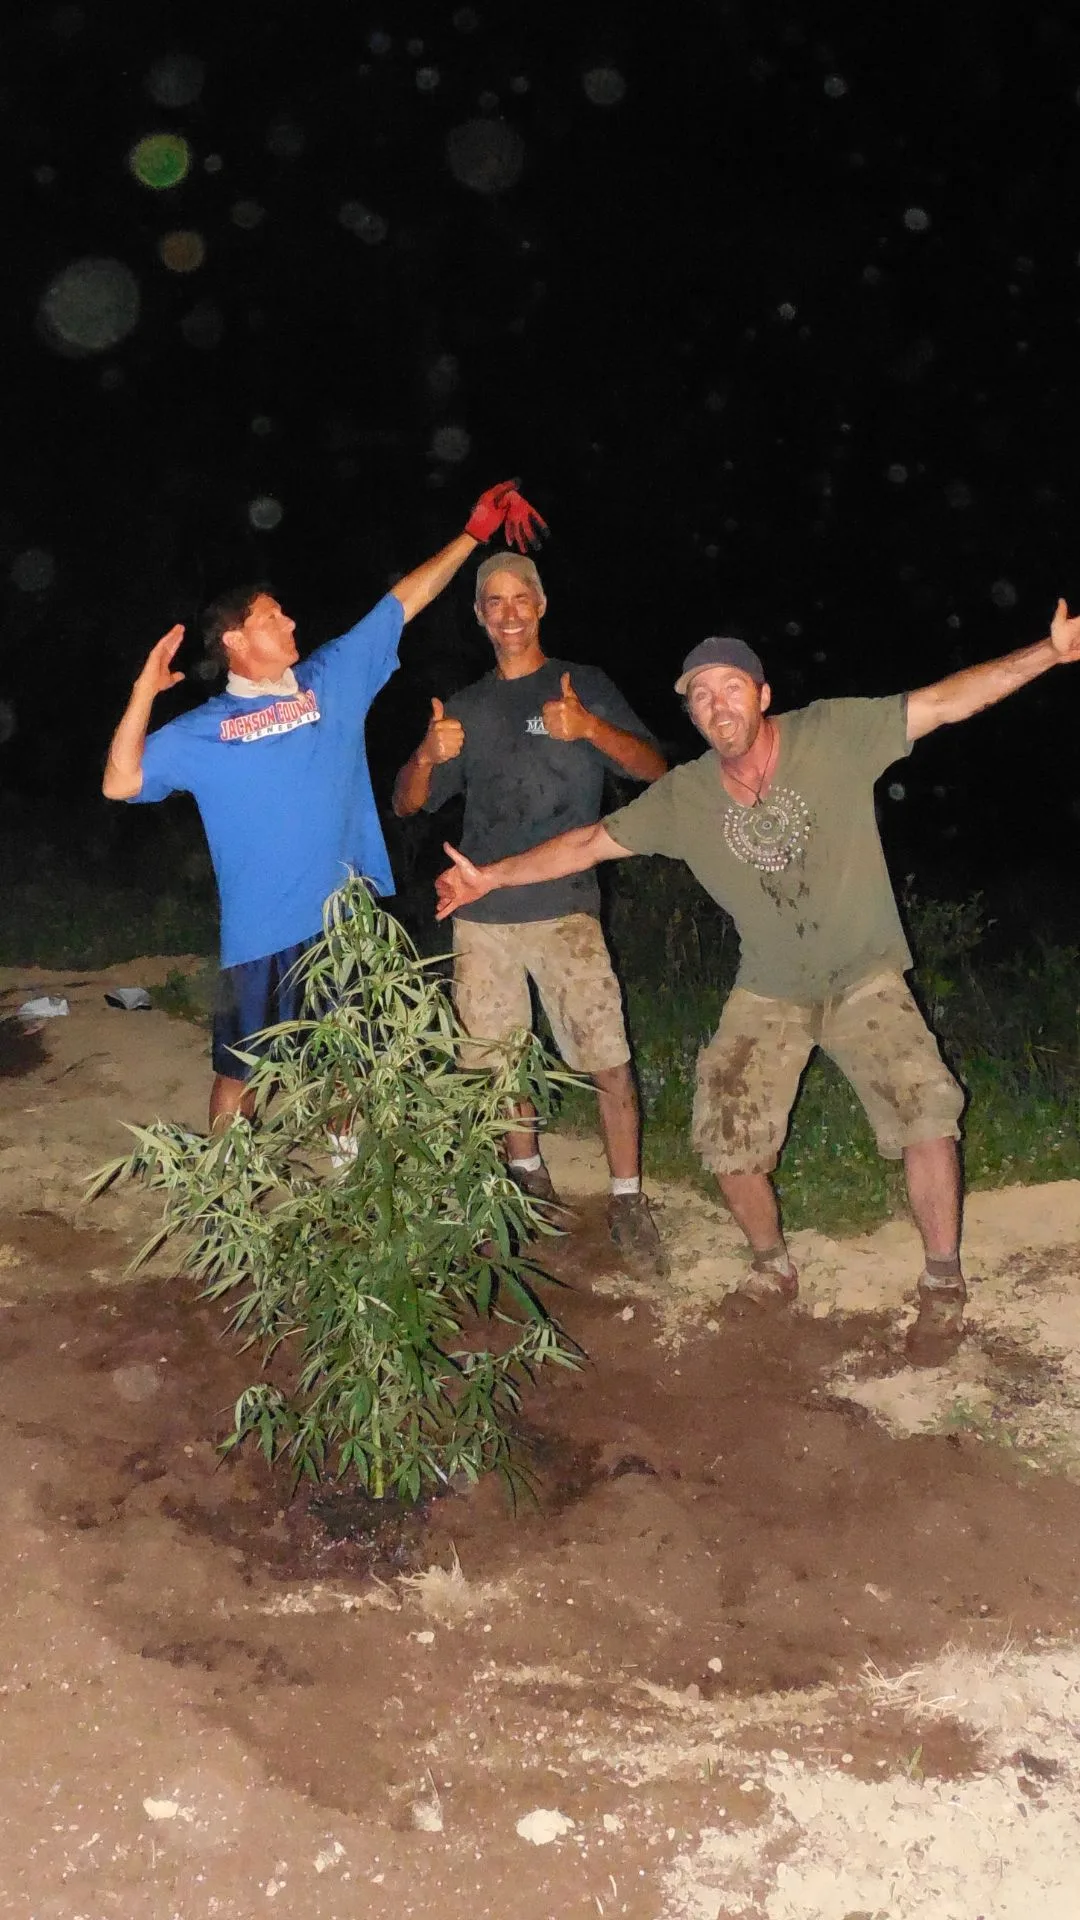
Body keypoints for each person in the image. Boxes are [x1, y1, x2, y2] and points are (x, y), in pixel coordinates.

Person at [434, 601, 1080, 1347]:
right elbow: (587, 844)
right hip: (771, 984)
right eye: (700, 695)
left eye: (730, 686)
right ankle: (771, 1267)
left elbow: (943, 702)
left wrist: (1049, 653)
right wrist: (490, 878)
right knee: (725, 1133)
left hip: (865, 974)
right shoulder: (688, 796)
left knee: (925, 1115)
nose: (716, 704)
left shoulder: (831, 734)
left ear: (762, 694)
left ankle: (942, 1276)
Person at [102, 480, 546, 1129]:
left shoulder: (329, 679)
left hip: (347, 925)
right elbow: (119, 781)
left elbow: (403, 601)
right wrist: (144, 691)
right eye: (272, 619)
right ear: (234, 640)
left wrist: (473, 535)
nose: (290, 623)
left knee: (349, 1062)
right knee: (240, 1076)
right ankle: (231, 1194)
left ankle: (346, 1176)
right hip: (260, 937)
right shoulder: (204, 728)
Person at [392, 551, 669, 1272]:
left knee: (608, 1059)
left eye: (522, 598)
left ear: (541, 606)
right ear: (481, 616)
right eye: (495, 602)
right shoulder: (468, 707)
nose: (509, 612)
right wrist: (426, 753)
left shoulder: (585, 687)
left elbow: (655, 771)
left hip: (568, 908)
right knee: (499, 1067)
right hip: (482, 917)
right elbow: (407, 801)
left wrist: (590, 731)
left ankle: (629, 1197)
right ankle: (527, 1182)